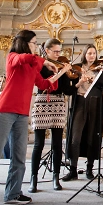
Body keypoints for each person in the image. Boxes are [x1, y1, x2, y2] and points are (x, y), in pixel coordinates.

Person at [0, 30, 69, 205]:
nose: (36, 46)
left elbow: (44, 84)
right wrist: (45, 61)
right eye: (34, 43)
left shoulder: (33, 65)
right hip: (4, 111)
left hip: (22, 115)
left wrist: (60, 72)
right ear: (25, 43)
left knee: (19, 157)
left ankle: (13, 193)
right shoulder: (13, 57)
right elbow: (25, 59)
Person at [28, 39, 76, 193]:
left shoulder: (62, 66)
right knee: (39, 143)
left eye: (59, 51)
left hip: (58, 104)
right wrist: (61, 72)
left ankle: (56, 177)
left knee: (57, 144)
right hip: (42, 102)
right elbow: (44, 84)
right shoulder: (40, 66)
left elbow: (67, 90)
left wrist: (78, 82)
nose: (58, 54)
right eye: (55, 51)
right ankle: (33, 178)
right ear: (47, 51)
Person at [62, 44, 103, 181]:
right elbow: (70, 89)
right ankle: (73, 169)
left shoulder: (100, 69)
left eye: (94, 53)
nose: (92, 56)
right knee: (75, 137)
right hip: (80, 102)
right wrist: (80, 82)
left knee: (92, 136)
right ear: (84, 54)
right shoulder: (77, 68)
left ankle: (89, 168)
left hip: (95, 103)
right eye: (89, 53)